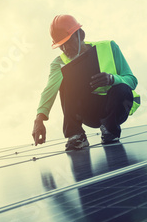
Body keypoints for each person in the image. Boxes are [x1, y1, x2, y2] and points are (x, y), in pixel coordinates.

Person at [32, 14, 141, 150]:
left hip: (116, 108)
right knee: (65, 81)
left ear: (80, 35)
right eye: (61, 45)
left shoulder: (109, 47)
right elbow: (49, 90)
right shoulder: (59, 63)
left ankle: (110, 131)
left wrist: (112, 79)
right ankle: (76, 136)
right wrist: (39, 118)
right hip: (89, 112)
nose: (65, 49)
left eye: (68, 42)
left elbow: (131, 80)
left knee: (122, 88)